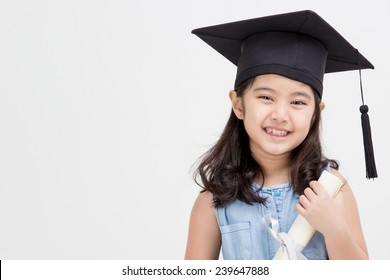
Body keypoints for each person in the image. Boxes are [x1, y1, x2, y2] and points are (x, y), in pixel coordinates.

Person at [185, 10, 374, 260]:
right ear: (239, 105)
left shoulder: (330, 188)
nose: (280, 115)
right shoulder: (216, 198)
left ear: (316, 114)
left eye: (298, 102)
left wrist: (334, 227)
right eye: (266, 97)